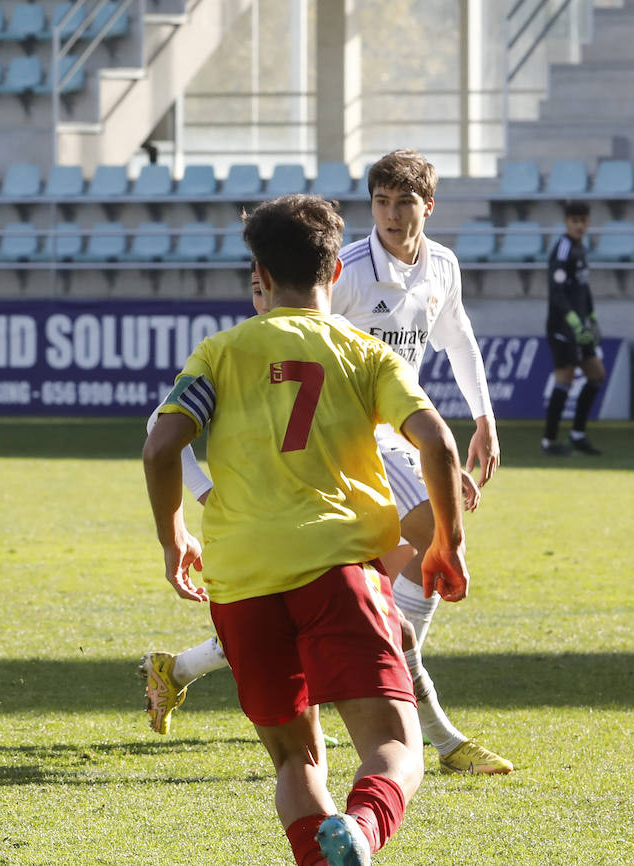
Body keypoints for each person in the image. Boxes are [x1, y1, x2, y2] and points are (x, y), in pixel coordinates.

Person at [144, 150, 512, 777]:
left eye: (404, 202)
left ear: (428, 206)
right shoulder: (343, 273)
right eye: (381, 201)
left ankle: (180, 667)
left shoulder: (441, 267)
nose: (392, 215)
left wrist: (482, 417)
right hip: (345, 450)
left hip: (388, 443)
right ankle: (437, 736)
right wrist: (205, 491)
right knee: (406, 565)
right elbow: (280, 340)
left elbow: (458, 338)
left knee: (339, 590)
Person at [542, 200, 605, 456]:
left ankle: (577, 434)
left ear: (588, 222)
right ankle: (549, 441)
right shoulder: (564, 249)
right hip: (563, 328)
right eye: (574, 221)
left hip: (582, 328)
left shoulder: (580, 248)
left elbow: (582, 287)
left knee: (597, 375)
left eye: (583, 221)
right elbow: (556, 292)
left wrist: (591, 315)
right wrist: (573, 320)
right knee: (565, 379)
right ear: (567, 222)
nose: (579, 226)